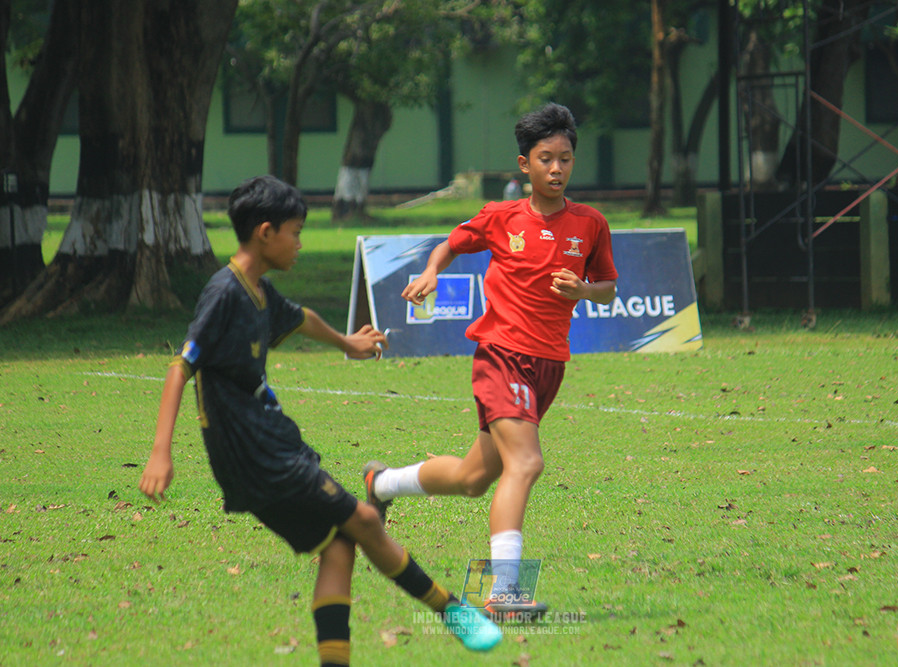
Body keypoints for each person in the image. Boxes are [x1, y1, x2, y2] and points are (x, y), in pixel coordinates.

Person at [139, 175, 501, 666]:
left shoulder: (258, 291)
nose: (300, 243)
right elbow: (180, 367)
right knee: (366, 520)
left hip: (270, 444)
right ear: (266, 232)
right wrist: (162, 452)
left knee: (339, 550)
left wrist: (348, 342)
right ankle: (451, 611)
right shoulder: (223, 293)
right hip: (257, 454)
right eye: (296, 231)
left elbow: (300, 316)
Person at [364, 103, 618, 618]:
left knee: (472, 478)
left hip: (549, 365)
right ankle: (502, 594)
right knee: (526, 463)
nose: (556, 168)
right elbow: (450, 245)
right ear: (524, 165)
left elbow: (610, 290)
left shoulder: (590, 224)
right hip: (501, 356)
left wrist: (584, 289)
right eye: (545, 158)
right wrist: (432, 271)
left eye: (565, 158)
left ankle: (380, 483)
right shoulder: (501, 218)